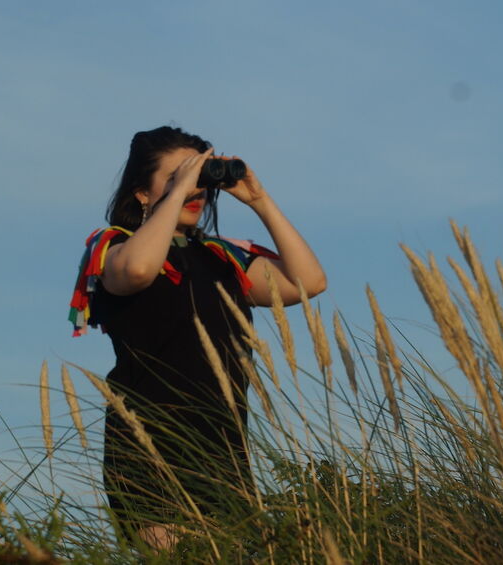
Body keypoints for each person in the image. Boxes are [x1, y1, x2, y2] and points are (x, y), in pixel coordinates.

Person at [68, 126, 326, 551]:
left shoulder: (223, 258)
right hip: (150, 446)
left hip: (224, 449)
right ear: (141, 193)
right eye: (175, 177)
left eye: (198, 177)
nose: (193, 189)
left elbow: (309, 282)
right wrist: (177, 194)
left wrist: (260, 200)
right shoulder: (115, 247)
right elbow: (136, 271)